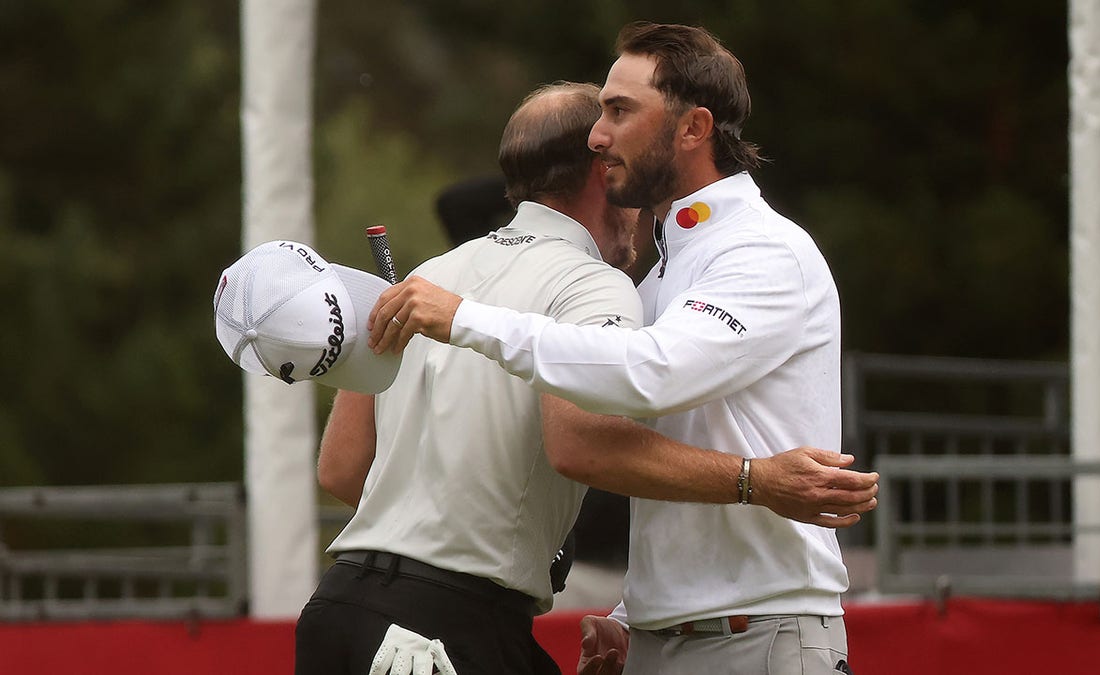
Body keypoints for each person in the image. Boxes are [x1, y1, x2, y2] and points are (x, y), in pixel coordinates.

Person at [300, 80, 877, 675]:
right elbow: (581, 445)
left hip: (340, 609)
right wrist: (758, 480)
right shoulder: (595, 284)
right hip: (446, 625)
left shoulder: (426, 276)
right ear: (606, 171)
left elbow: (342, 469)